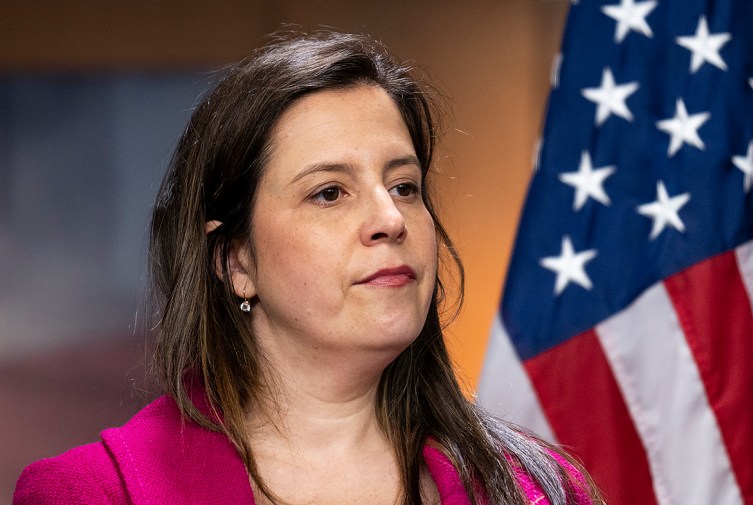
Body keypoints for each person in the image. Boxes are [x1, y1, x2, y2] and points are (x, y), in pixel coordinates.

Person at [13, 32, 603, 505]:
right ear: (235, 261)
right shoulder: (91, 493)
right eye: (329, 193)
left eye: (404, 186)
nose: (390, 219)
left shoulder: (542, 489)